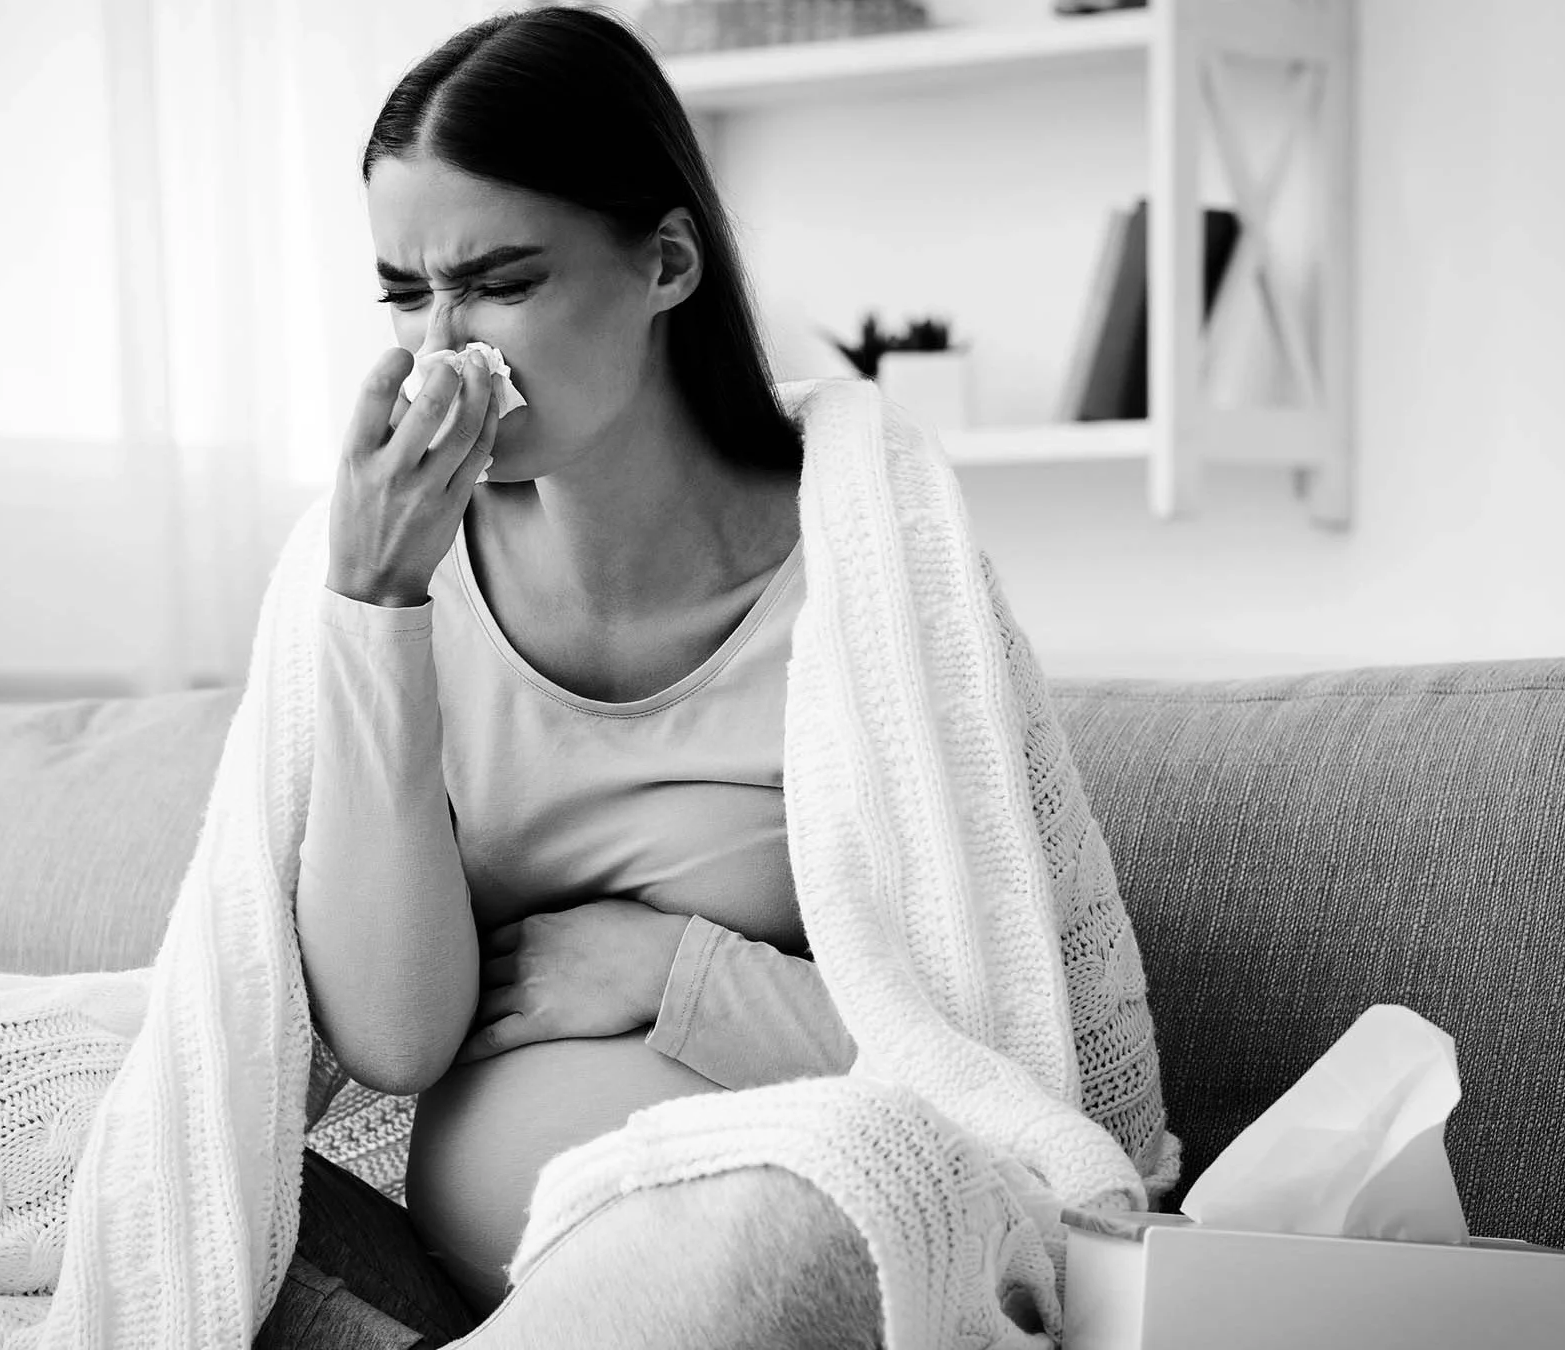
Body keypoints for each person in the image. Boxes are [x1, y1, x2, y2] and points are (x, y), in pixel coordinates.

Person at [266, 7, 1028, 1348]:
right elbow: (391, 1038)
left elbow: (990, 1072)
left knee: (788, 1220)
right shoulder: (398, 568)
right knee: (33, 1111)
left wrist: (682, 974)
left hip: (759, 1265)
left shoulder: (872, 577)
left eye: (502, 283)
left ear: (667, 262)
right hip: (426, 1285)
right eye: (405, 294)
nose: (445, 354)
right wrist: (374, 605)